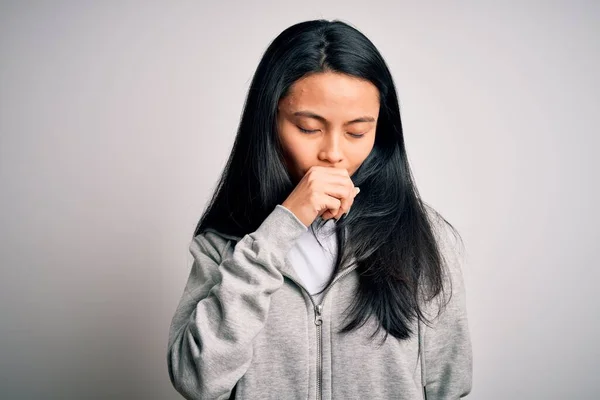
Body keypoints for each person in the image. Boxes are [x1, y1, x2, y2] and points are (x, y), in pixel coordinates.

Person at [167, 19, 472, 400]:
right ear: (270, 123)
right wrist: (282, 225)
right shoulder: (225, 246)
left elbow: (450, 384)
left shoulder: (425, 239)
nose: (333, 153)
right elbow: (196, 381)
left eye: (357, 131)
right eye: (309, 128)